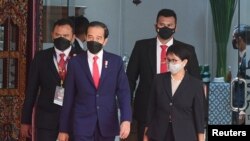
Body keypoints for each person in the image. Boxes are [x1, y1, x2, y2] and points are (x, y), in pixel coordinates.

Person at [126, 8, 201, 141]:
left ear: (175, 27)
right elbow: (130, 78)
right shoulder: (141, 46)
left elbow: (195, 82)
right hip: (146, 108)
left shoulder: (187, 50)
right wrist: (126, 107)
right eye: (162, 25)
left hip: (180, 114)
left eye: (169, 25)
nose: (165, 27)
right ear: (156, 26)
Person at [58, 21, 132, 141]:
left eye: (98, 38)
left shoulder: (115, 62)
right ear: (86, 38)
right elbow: (68, 97)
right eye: (90, 37)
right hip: (82, 125)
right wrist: (63, 129)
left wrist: (126, 119)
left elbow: (124, 93)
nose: (94, 41)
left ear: (105, 40)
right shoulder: (75, 63)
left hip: (107, 124)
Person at [20, 18, 82, 141]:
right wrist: (25, 120)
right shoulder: (41, 57)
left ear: (73, 37)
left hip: (75, 119)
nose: (61, 38)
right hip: (46, 120)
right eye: (58, 35)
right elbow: (31, 91)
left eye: (65, 35)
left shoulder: (82, 58)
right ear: (52, 35)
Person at [144, 45, 205, 141]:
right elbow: (151, 109)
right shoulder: (158, 80)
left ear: (184, 62)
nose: (170, 63)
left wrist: (201, 138)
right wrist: (146, 135)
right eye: (168, 60)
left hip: (185, 134)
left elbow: (199, 116)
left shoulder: (195, 85)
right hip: (158, 133)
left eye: (174, 60)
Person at [231, 24, 250, 125]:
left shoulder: (247, 60)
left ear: (240, 39)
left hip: (242, 104)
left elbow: (247, 85)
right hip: (238, 102)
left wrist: (243, 109)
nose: (233, 40)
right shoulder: (243, 56)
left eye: (234, 37)